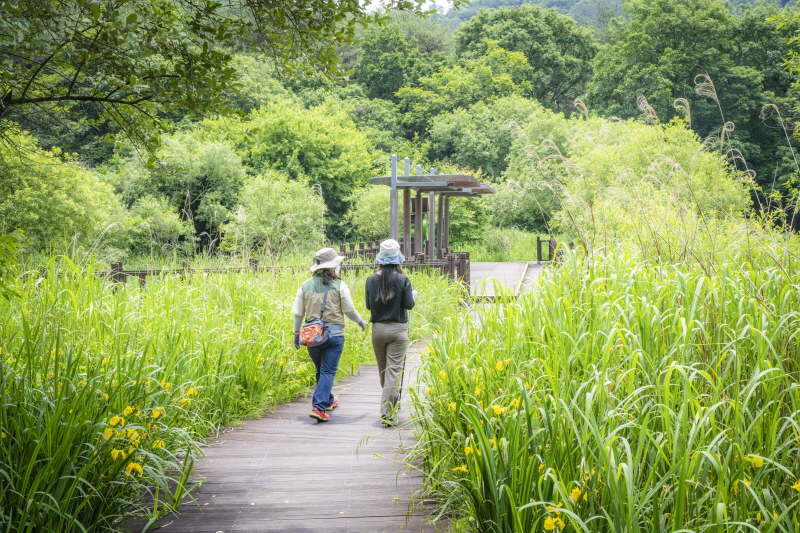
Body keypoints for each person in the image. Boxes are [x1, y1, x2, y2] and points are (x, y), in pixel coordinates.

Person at [292, 247, 368, 422]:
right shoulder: (339, 285)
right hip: (334, 336)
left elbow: (298, 313)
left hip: (313, 337)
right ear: (334, 266)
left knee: (321, 370)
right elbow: (349, 310)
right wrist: (361, 322)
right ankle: (318, 407)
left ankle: (328, 400)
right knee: (327, 371)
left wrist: (296, 335)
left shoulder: (305, 285)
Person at [365, 239, 416, 427]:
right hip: (397, 330)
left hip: (378, 330)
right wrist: (413, 294)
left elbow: (369, 305)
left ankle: (390, 405)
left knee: (384, 371)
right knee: (394, 372)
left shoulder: (371, 280)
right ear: (397, 259)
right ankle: (387, 411)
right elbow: (409, 305)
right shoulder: (403, 280)